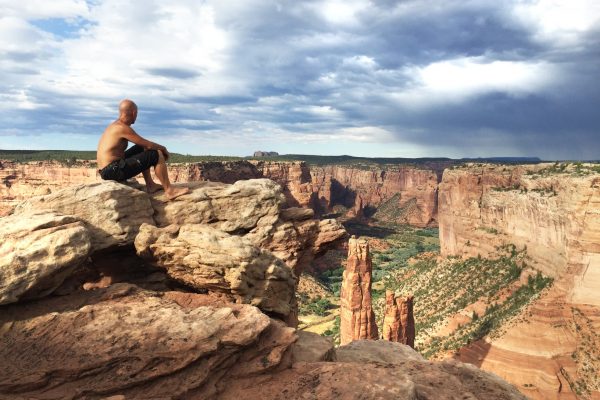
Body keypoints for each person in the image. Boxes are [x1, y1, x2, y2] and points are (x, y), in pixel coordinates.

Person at [97, 99, 190, 200]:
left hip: (108, 170)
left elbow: (143, 145)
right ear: (134, 113)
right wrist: (164, 149)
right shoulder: (121, 128)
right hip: (112, 170)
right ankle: (169, 190)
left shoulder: (115, 125)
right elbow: (149, 145)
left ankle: (150, 185)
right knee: (156, 154)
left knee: (141, 148)